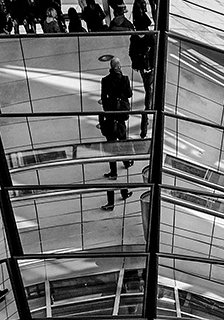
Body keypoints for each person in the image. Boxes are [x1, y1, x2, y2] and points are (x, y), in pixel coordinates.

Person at [100, 58, 134, 211]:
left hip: (111, 116)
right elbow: (129, 94)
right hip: (121, 116)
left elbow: (104, 98)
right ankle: (126, 161)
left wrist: (109, 111)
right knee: (123, 140)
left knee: (111, 145)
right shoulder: (124, 79)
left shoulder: (105, 80)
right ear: (117, 67)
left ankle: (113, 172)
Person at [128, 8, 155, 138]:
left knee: (147, 86)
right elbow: (156, 51)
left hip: (142, 67)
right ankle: (148, 107)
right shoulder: (150, 36)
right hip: (148, 66)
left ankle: (148, 106)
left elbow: (131, 52)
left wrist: (137, 63)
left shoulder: (134, 37)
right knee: (148, 87)